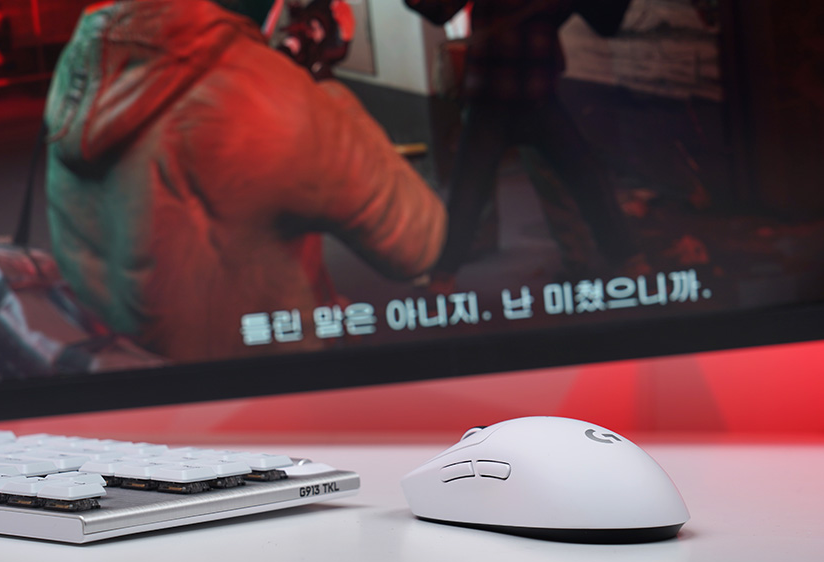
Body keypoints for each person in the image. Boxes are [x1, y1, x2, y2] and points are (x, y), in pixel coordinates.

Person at [43, 0, 446, 362]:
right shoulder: (269, 93)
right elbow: (418, 241)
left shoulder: (81, 68)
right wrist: (323, 90)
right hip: (265, 387)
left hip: (129, 378)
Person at [404, 0, 647, 293]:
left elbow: (605, 21)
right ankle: (443, 276)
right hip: (499, 103)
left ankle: (625, 258)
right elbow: (437, 10)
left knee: (588, 179)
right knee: (469, 192)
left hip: (532, 100)